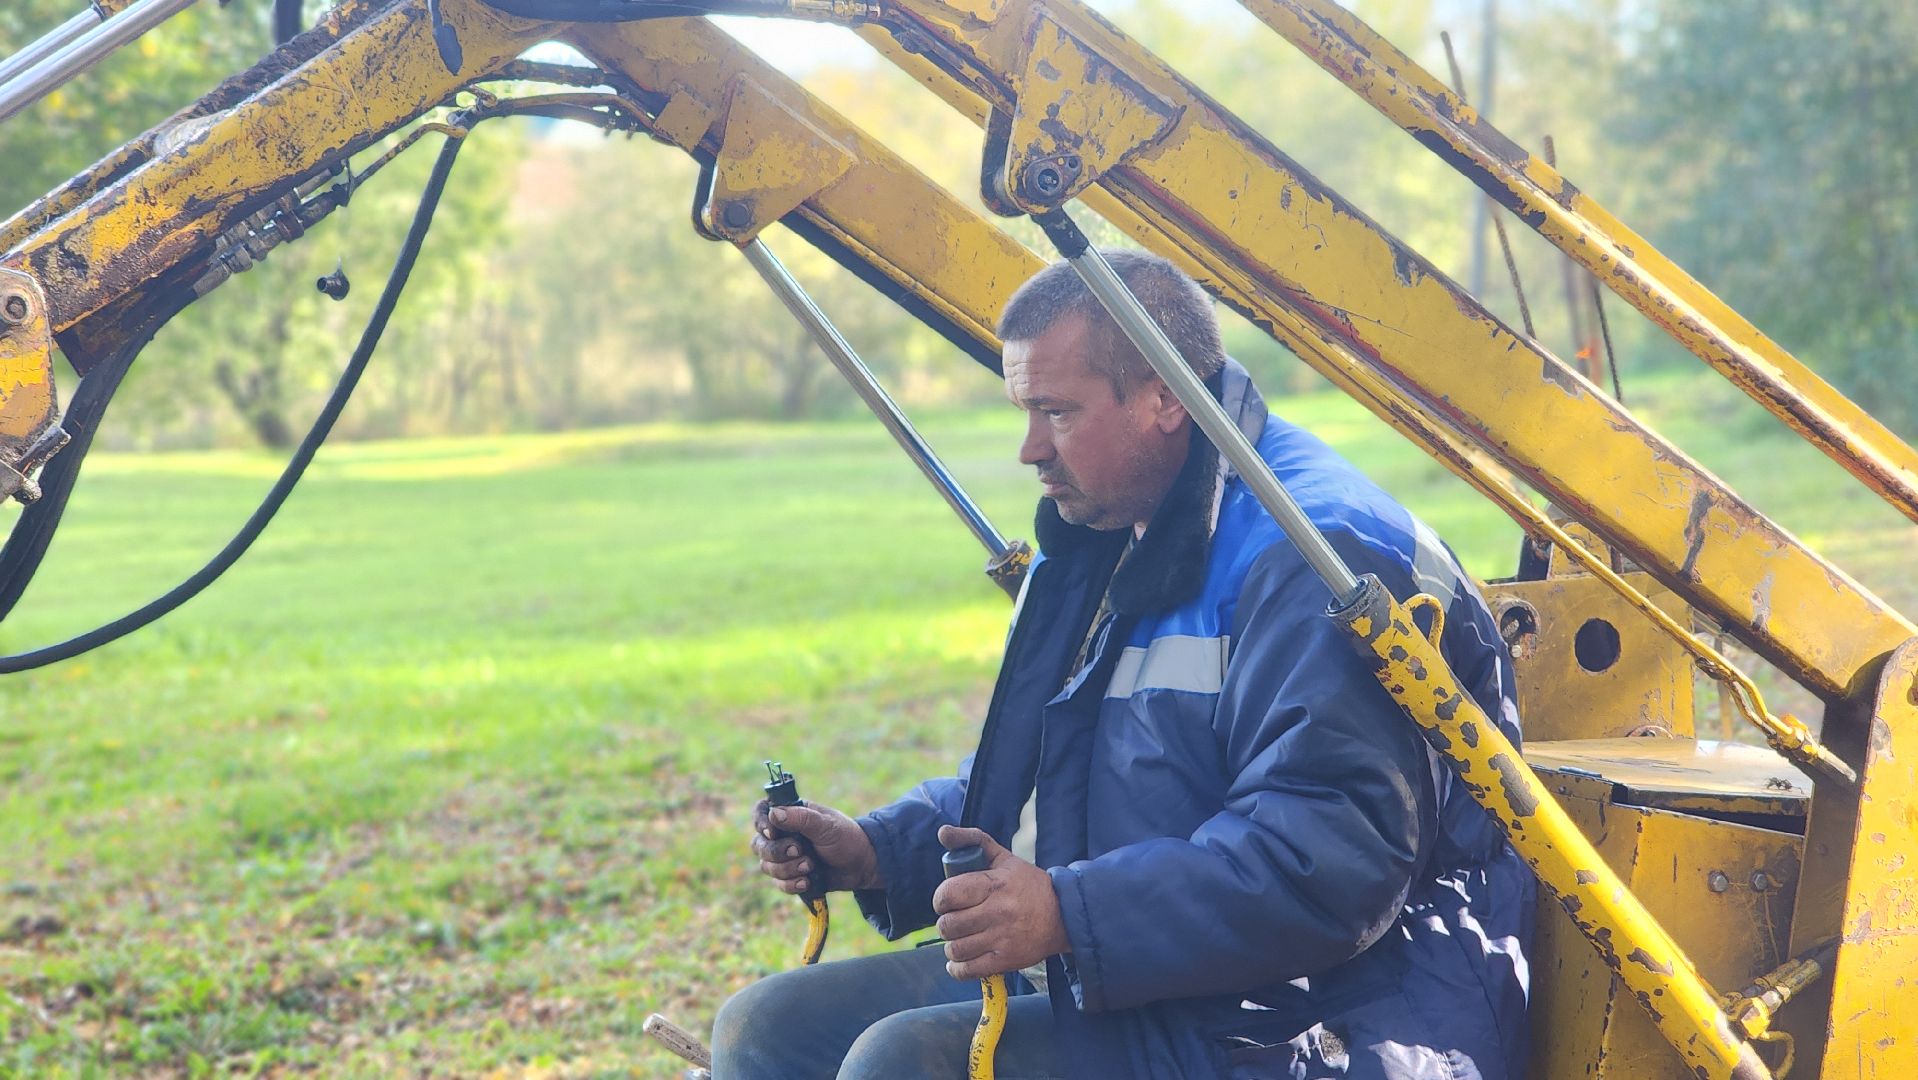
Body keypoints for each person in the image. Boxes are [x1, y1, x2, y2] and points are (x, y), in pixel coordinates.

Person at [712, 251, 1533, 1079]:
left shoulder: (1311, 556)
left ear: (1164, 395)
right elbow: (1061, 768)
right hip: (1152, 964)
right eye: (1024, 411)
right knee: (769, 1027)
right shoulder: (1112, 522)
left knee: (904, 1065)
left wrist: (1069, 911)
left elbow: (1328, 862)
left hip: (1335, 1008)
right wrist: (878, 849)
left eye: (1056, 412)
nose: (1030, 449)